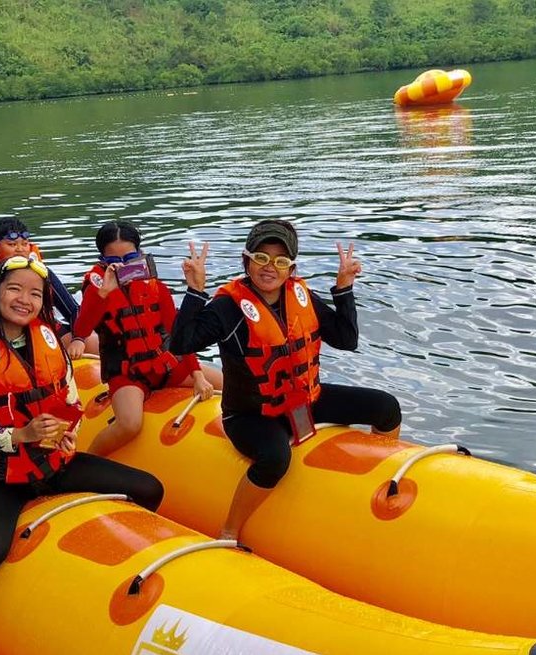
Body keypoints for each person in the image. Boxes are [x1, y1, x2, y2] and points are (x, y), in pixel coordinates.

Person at [0, 255, 163, 639]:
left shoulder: (48, 341)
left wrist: (68, 432)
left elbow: (71, 399)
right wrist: (19, 435)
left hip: (51, 461)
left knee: (149, 488)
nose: (24, 300)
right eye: (14, 289)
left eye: (34, 293)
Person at [170, 219, 401, 542]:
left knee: (386, 407)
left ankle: (381, 480)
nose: (270, 267)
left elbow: (346, 339)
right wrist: (195, 291)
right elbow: (181, 344)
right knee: (276, 458)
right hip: (249, 416)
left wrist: (344, 288)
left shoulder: (301, 297)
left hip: (304, 401)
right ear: (247, 261)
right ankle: (230, 529)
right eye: (261, 257)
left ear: (291, 268)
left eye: (280, 261)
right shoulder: (227, 308)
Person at [75, 220, 220, 457]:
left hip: (163, 365)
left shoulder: (155, 286)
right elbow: (82, 328)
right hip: (127, 374)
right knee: (130, 425)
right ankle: (87, 463)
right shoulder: (96, 289)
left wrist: (197, 375)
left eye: (130, 258)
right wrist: (102, 294)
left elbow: (179, 333)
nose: (123, 266)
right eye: (114, 261)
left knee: (226, 382)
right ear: (103, 261)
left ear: (139, 254)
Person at [0, 216, 93, 359]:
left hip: (41, 330)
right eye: (12, 245)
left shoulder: (41, 273)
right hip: (3, 335)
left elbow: (73, 310)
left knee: (92, 341)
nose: (20, 250)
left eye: (25, 244)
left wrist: (79, 339)